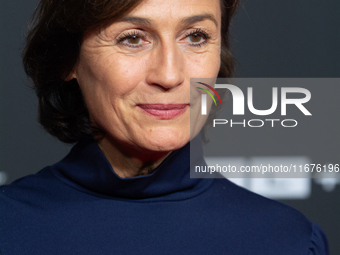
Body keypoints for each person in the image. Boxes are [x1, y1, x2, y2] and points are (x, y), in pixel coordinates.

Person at [0, 0, 329, 254]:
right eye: (132, 39)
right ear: (67, 60)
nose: (170, 75)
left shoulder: (289, 240)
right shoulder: (8, 227)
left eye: (196, 37)